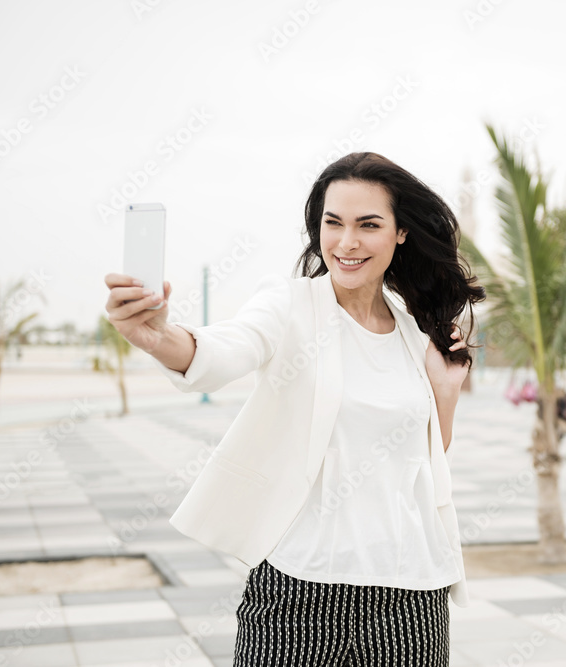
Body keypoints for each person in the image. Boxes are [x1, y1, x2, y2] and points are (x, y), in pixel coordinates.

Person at [103, 151, 486, 666]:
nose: (347, 243)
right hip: (299, 592)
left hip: (411, 595)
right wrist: (159, 338)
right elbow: (223, 351)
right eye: (334, 223)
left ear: (401, 233)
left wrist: (445, 395)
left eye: (368, 225)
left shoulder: (415, 331)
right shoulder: (289, 307)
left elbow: (421, 461)